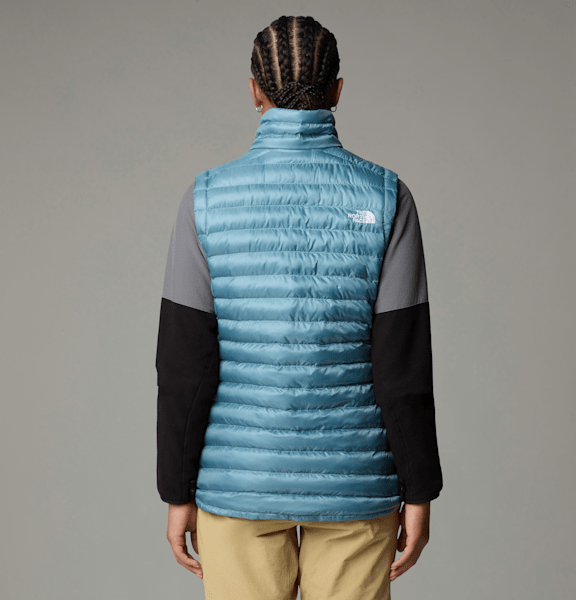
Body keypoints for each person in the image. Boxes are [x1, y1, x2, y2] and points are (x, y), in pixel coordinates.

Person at [156, 15, 443, 600]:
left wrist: (176, 490)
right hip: (356, 486)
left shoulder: (205, 199)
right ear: (338, 90)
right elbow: (403, 368)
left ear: (254, 90)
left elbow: (183, 368)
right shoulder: (387, 197)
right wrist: (419, 490)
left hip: (238, 486)